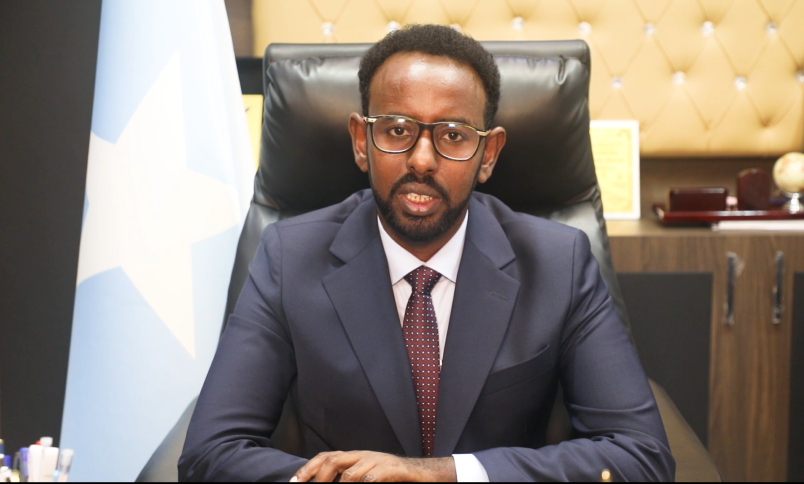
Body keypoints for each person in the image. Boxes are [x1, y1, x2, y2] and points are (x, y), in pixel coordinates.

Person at [179, 24, 675, 482]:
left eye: (453, 136)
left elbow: (641, 456)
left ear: (488, 155)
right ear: (361, 141)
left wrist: (448, 475)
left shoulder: (558, 263)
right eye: (397, 130)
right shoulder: (290, 258)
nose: (421, 160)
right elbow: (209, 454)